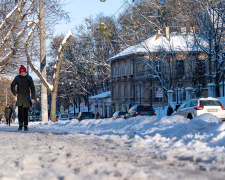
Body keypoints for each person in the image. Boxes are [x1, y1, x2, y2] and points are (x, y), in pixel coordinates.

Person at [11, 65, 35, 131]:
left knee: (26, 113)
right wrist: (15, 93)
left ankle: (26, 126)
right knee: (20, 113)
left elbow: (32, 88)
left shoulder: (29, 78)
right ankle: (20, 125)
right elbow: (12, 86)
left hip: (27, 98)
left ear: (25, 72)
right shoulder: (17, 78)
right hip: (20, 98)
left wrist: (33, 97)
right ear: (20, 72)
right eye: (21, 72)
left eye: (24, 72)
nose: (22, 73)